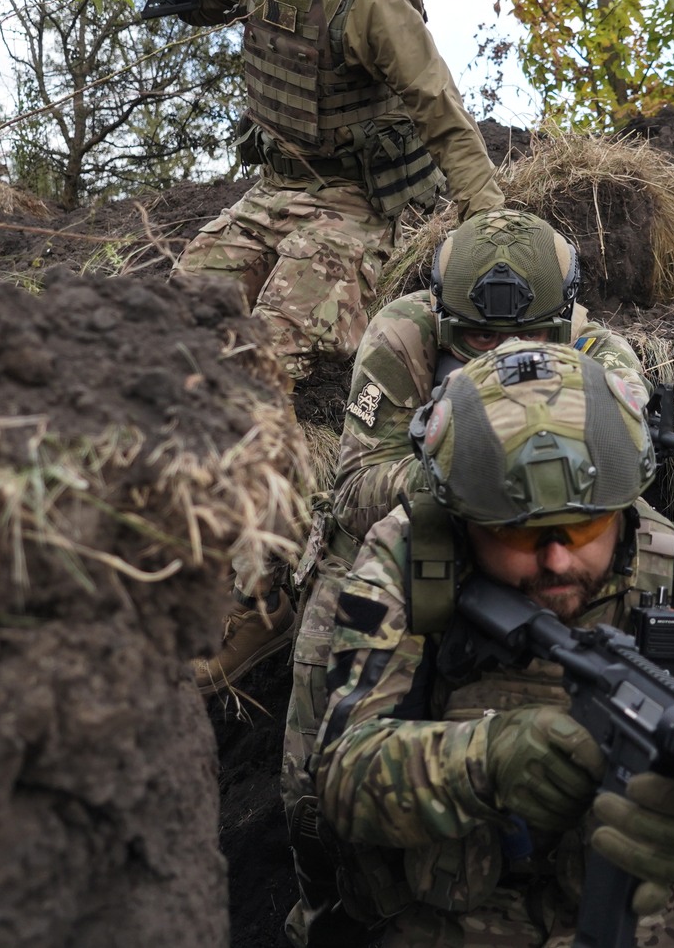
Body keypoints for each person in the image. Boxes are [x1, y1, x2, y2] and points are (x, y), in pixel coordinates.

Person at [302, 340, 674, 946]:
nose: (557, 558)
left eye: (584, 524)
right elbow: (341, 775)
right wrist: (482, 760)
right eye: (518, 530)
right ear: (464, 517)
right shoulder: (410, 558)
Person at [272, 210, 653, 934]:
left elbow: (629, 486)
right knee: (308, 765)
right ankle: (326, 907)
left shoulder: (605, 354)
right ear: (445, 318)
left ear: (564, 318)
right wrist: (457, 473)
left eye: (531, 336)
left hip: (549, 541)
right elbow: (355, 487)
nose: (504, 352)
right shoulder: (403, 335)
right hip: (402, 541)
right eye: (479, 338)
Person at [101, 0, 505, 378]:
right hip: (272, 191)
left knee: (263, 358)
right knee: (171, 330)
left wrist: (492, 228)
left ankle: (269, 459)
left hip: (353, 205)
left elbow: (437, 108)